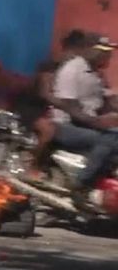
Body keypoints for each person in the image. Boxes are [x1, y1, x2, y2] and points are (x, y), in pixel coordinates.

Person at [50, 33, 118, 204]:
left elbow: (107, 100)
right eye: (103, 51)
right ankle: (81, 185)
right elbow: (69, 107)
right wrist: (98, 123)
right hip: (65, 125)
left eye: (109, 51)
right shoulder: (72, 69)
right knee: (110, 138)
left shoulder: (97, 73)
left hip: (89, 123)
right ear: (88, 49)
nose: (107, 54)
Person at [13, 30, 87, 177]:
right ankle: (34, 165)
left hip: (44, 108)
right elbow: (44, 94)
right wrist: (66, 106)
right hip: (30, 108)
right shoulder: (52, 65)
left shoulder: (79, 67)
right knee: (48, 131)